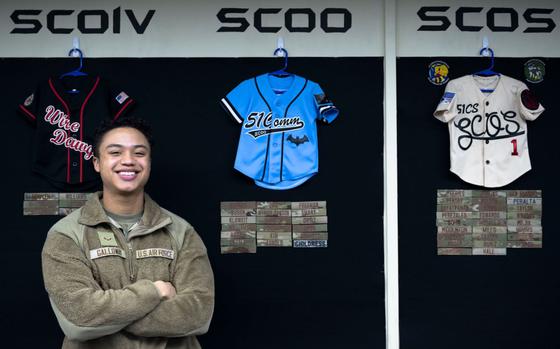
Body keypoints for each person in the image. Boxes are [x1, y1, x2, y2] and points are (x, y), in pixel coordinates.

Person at [41, 117, 215, 349]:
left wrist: (110, 314)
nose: (128, 161)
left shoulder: (181, 231)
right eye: (115, 152)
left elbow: (198, 314)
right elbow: (79, 319)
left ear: (149, 163)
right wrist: (155, 290)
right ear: (96, 163)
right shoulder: (66, 234)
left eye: (139, 153)